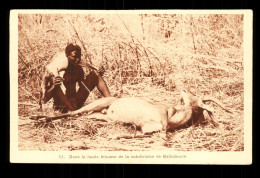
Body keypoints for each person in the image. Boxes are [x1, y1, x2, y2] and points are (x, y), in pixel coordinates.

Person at [40, 43, 112, 113]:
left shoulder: (78, 69)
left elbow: (83, 88)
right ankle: (71, 111)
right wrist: (54, 86)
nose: (77, 59)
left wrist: (98, 74)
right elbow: (44, 99)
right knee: (57, 83)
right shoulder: (57, 72)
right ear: (67, 55)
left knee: (95, 74)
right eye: (74, 57)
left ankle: (111, 101)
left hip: (75, 104)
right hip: (62, 107)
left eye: (79, 57)